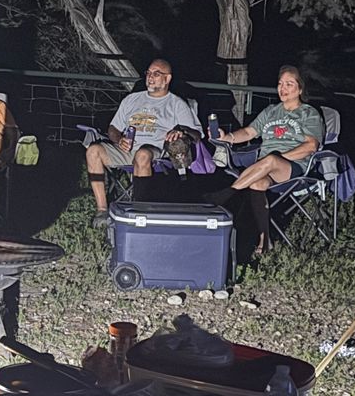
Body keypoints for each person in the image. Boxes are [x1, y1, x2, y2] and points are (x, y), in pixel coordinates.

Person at [210, 66, 324, 261]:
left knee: (271, 159)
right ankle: (265, 239)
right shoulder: (271, 111)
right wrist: (227, 137)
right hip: (265, 168)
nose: (283, 88)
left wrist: (279, 159)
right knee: (257, 184)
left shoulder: (308, 113)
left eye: (289, 84)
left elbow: (311, 146)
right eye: (280, 84)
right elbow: (248, 133)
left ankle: (228, 192)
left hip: (294, 167)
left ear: (300, 89)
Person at [85, 59, 200, 226]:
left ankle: (139, 210)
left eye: (156, 74)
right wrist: (119, 140)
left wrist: (181, 131)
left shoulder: (176, 104)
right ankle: (102, 210)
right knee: (93, 151)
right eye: (148, 73)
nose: (150, 77)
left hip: (155, 150)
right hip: (127, 148)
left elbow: (196, 134)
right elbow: (113, 128)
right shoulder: (132, 99)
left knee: (142, 154)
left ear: (167, 79)